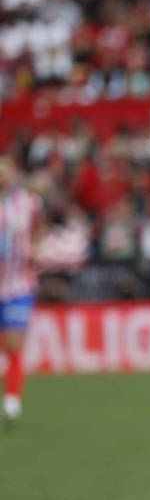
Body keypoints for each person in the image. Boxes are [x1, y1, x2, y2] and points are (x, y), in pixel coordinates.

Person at [0, 154, 44, 429]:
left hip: (18, 285)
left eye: (5, 169)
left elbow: (39, 228)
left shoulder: (28, 203)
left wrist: (35, 248)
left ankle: (12, 398)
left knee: (15, 343)